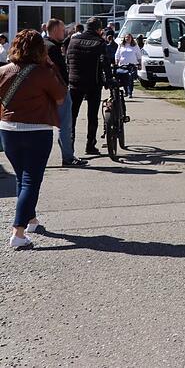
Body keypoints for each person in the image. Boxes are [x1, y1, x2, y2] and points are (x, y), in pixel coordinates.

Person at [0, 29, 67, 248]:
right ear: (41, 49)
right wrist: (50, 65)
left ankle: (31, 221)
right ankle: (18, 233)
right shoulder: (43, 72)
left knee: (22, 177)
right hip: (37, 129)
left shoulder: (4, 70)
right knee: (31, 180)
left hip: (8, 130)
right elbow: (60, 96)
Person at [44, 19, 87, 167]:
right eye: (63, 30)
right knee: (65, 125)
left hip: (46, 91)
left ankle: (65, 156)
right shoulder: (52, 48)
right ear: (55, 30)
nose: (65, 32)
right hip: (58, 91)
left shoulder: (45, 45)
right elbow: (59, 71)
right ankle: (68, 157)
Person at [66, 17, 107, 156]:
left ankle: (69, 147)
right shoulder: (99, 42)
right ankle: (90, 145)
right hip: (93, 83)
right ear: (98, 29)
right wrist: (109, 79)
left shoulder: (74, 40)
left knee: (72, 116)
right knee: (92, 116)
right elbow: (105, 64)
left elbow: (68, 60)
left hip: (75, 82)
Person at [114, 33, 141, 97]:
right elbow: (117, 55)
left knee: (130, 78)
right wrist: (116, 62)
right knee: (124, 79)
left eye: (129, 37)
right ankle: (126, 91)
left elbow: (139, 55)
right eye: (126, 37)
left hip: (132, 65)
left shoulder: (135, 46)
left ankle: (130, 92)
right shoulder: (121, 45)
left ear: (131, 38)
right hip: (122, 65)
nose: (127, 38)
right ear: (124, 38)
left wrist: (140, 64)